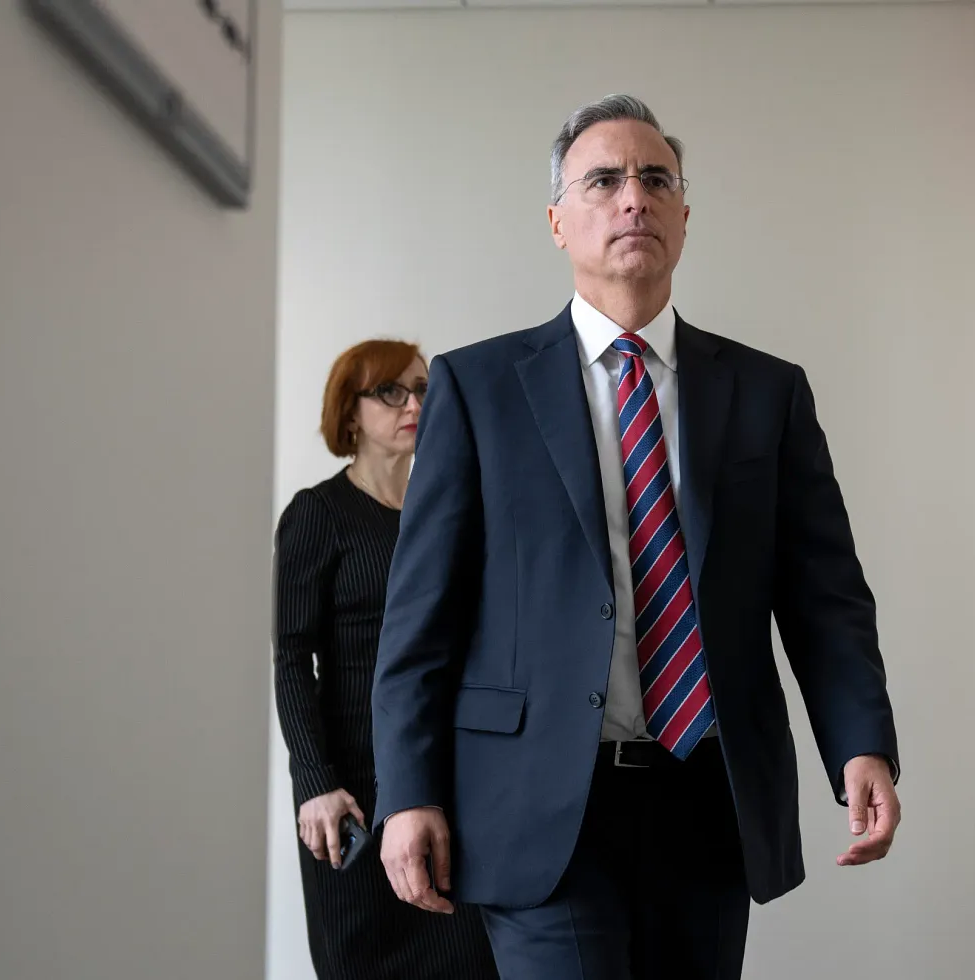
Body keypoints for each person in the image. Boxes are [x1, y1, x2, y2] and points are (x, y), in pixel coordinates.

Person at [372, 95, 901, 979]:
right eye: (605, 180)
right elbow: (421, 618)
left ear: (684, 216)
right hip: (538, 805)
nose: (634, 198)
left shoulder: (767, 393)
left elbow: (826, 597)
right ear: (557, 221)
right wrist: (409, 791)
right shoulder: (479, 387)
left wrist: (860, 742)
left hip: (710, 798)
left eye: (657, 180)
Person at [273, 339, 500, 979]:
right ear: (351, 413)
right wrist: (315, 784)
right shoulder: (317, 514)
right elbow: (291, 661)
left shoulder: (451, 510)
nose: (414, 405)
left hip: (447, 776)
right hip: (351, 792)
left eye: (424, 389)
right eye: (391, 392)